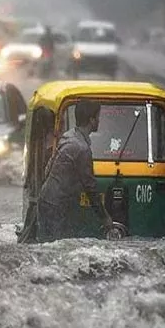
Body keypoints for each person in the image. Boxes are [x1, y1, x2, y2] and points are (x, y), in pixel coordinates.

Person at [37, 100, 114, 242]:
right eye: (98, 117)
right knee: (56, 248)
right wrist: (105, 217)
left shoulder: (69, 136)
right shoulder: (82, 149)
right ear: (91, 120)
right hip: (56, 207)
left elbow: (49, 167)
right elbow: (90, 187)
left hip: (46, 199)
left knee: (47, 246)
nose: (99, 120)